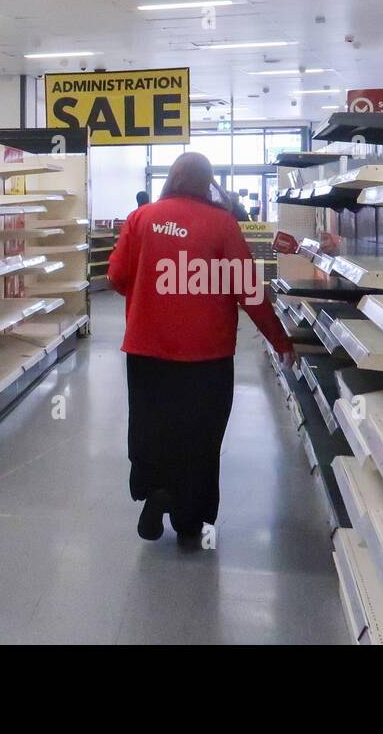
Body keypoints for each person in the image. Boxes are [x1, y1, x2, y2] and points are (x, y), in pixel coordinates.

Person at [108, 152, 294, 545]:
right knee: (200, 437)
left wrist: (149, 293)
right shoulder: (222, 223)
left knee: (151, 425)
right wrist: (279, 340)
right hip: (205, 358)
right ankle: (189, 520)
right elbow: (248, 290)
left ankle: (155, 488)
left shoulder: (140, 219)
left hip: (147, 349)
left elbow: (117, 276)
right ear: (207, 182)